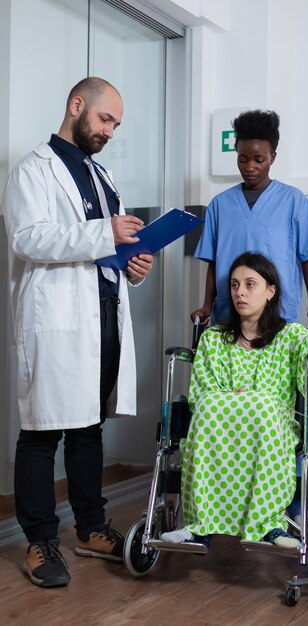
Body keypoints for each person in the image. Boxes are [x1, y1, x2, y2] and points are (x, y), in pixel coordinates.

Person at [3, 77, 154, 587]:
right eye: (106, 119)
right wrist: (104, 233)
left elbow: (103, 248)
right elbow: (27, 239)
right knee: (42, 433)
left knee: (89, 427)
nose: (110, 131)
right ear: (76, 107)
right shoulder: (33, 169)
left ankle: (90, 528)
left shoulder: (101, 175)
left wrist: (130, 262)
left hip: (103, 316)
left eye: (116, 124)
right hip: (57, 322)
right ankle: (40, 540)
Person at [162, 252, 308, 548]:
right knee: (212, 407)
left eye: (250, 284)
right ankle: (199, 526)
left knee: (262, 405)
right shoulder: (213, 339)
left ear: (270, 291)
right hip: (219, 430)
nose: (240, 292)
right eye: (235, 285)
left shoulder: (288, 336)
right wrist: (236, 403)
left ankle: (271, 525)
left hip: (270, 429)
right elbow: (204, 396)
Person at [192, 109, 308, 329]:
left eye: (259, 160)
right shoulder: (219, 205)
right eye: (243, 159)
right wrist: (207, 305)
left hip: (278, 313)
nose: (250, 167)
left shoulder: (294, 201)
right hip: (231, 313)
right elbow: (213, 262)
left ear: (272, 157)